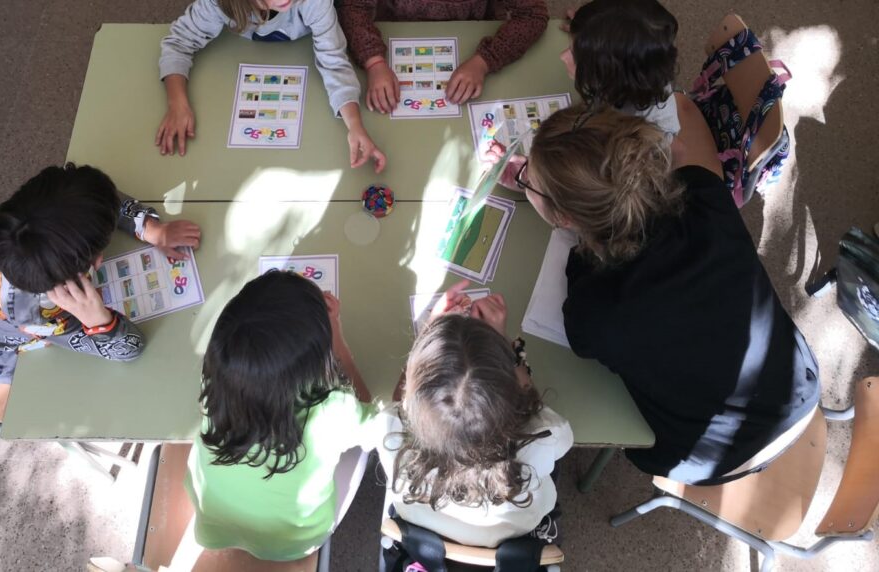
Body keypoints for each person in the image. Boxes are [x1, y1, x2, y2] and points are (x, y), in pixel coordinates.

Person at [509, 105, 820, 485]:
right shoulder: (702, 190)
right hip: (799, 388)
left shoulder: (594, 312)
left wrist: (570, 232)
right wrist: (555, 191)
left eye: (529, 183)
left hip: (722, 455)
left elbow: (587, 310)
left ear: (565, 219)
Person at [187, 271, 374, 561]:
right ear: (316, 358)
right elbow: (364, 402)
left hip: (213, 528)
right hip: (293, 543)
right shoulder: (334, 411)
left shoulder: (214, 381)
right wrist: (335, 334)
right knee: (358, 449)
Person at [372, 281, 572, 547]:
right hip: (514, 536)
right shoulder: (544, 435)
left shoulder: (389, 430)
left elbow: (403, 401)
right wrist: (502, 344)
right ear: (509, 392)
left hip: (425, 535)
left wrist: (428, 334)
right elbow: (543, 418)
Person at [0, 164, 202, 383]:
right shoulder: (41, 311)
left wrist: (149, 228)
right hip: (0, 355)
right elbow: (130, 350)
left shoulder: (46, 209)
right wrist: (98, 321)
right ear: (95, 260)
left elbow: (102, 199)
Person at [157, 0, 386, 173]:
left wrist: (355, 125)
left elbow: (333, 61)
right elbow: (178, 44)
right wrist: (177, 103)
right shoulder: (216, 4)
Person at [337, 0, 550, 112]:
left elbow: (533, 15)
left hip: (468, 31)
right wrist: (374, 61)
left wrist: (485, 61)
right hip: (397, 27)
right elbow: (353, 6)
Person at [561, 0, 680, 139]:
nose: (562, 56)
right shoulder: (632, 73)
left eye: (574, 54)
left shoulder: (646, 135)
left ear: (613, 76)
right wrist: (588, 31)